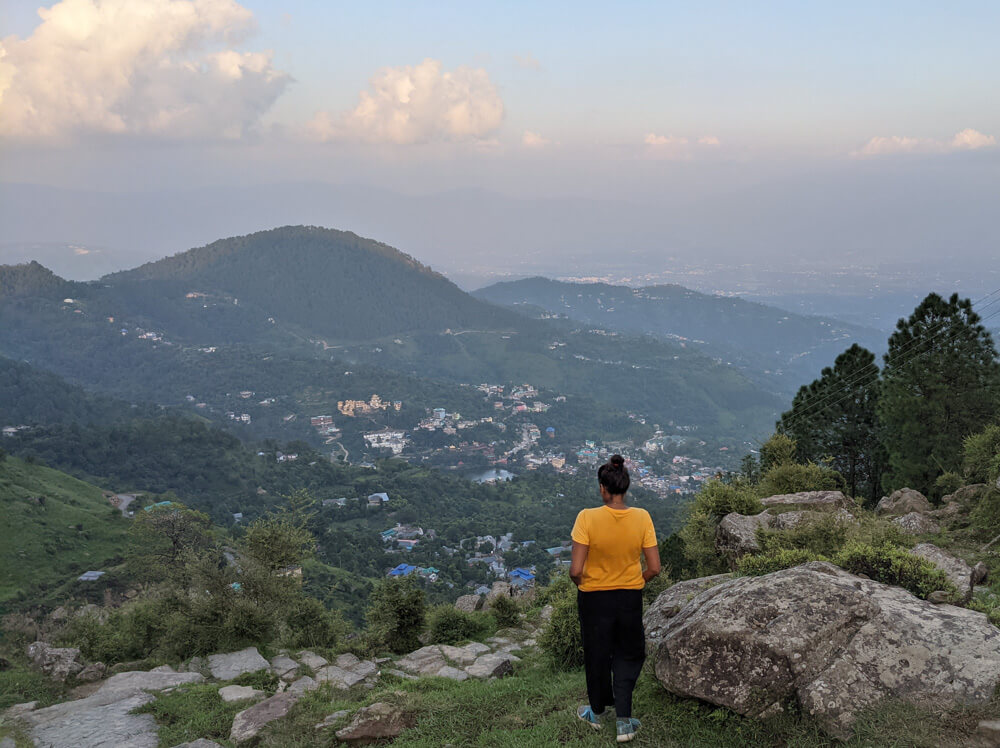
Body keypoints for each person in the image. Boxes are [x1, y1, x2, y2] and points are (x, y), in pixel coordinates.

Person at [570, 454, 660, 743]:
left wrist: (585, 583)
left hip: (594, 598)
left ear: (602, 488)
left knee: (597, 653)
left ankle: (596, 713)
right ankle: (624, 722)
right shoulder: (642, 517)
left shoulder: (587, 517)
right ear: (626, 486)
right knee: (628, 653)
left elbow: (575, 570)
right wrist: (635, 581)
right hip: (629, 598)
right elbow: (655, 568)